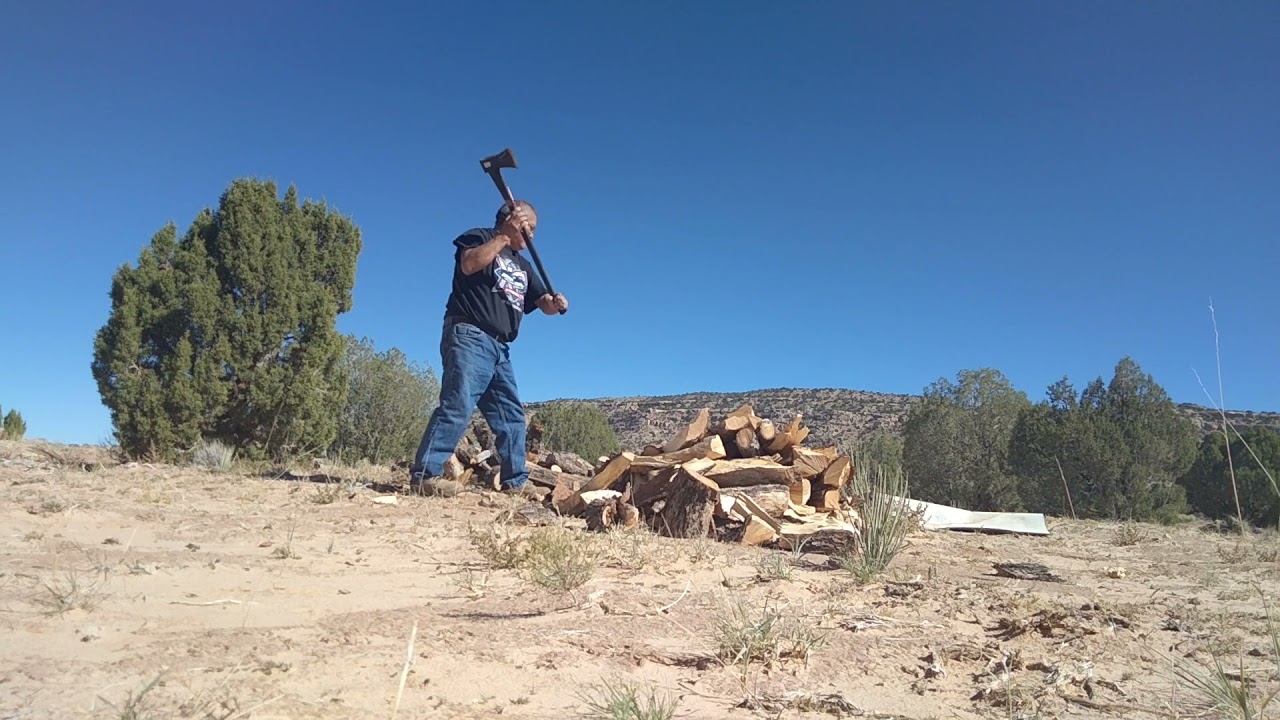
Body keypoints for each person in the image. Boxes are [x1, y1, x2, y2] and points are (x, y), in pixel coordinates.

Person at [408, 200, 568, 499]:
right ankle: (425, 476)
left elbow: (541, 303)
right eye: (528, 226)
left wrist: (554, 303)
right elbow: (469, 264)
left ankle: (515, 482)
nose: (531, 235)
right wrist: (504, 236)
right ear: (511, 219)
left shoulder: (523, 265)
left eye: (534, 230)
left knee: (511, 417)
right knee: (458, 404)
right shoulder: (480, 237)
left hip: (500, 348)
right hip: (469, 333)